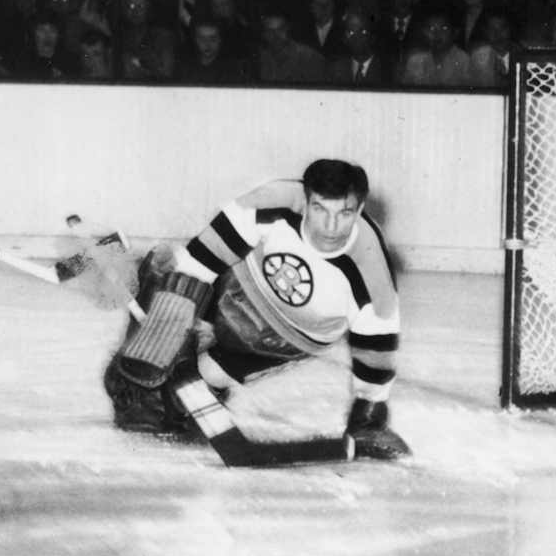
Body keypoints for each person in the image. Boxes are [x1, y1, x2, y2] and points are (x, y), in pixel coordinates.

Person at [100, 159, 406, 457]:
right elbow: (199, 260)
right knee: (163, 266)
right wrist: (167, 329)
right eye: (320, 209)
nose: (330, 226)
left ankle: (182, 391)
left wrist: (368, 418)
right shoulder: (272, 202)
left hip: (279, 338)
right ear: (306, 200)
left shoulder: (372, 275)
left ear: (360, 209)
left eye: (344, 213)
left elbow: (376, 360)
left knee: (184, 392)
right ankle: (135, 377)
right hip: (235, 289)